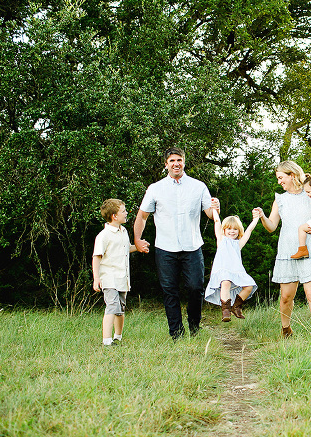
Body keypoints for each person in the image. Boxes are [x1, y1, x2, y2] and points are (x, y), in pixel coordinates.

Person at [134, 147, 220, 340]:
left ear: (184, 162)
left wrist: (216, 207)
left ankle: (195, 328)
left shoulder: (198, 186)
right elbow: (143, 216)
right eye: (172, 161)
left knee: (196, 287)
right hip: (165, 248)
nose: (176, 164)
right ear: (166, 164)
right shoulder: (155, 189)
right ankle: (176, 334)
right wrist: (137, 240)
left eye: (179, 160)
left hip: (192, 247)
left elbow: (209, 213)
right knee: (169, 291)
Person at [255, 160, 311, 340]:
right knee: (286, 297)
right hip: (288, 251)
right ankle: (286, 329)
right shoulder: (280, 199)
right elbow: (272, 226)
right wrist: (263, 216)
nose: (279, 181)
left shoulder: (310, 194)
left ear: (292, 175)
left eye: (281, 178)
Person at [92, 199, 138, 346]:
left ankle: (118, 337)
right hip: (109, 278)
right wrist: (96, 278)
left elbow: (126, 249)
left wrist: (139, 246)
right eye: (123, 211)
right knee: (112, 306)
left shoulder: (123, 231)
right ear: (114, 216)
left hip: (122, 278)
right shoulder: (104, 235)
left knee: (121, 308)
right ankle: (106, 340)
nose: (126, 213)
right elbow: (97, 256)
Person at [204, 209, 259, 321]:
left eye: (235, 229)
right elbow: (216, 221)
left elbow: (248, 231)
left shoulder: (238, 243)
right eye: (229, 229)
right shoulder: (221, 239)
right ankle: (226, 310)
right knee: (225, 282)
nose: (232, 231)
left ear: (239, 231)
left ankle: (236, 306)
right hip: (223, 269)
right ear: (223, 230)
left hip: (236, 271)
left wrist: (256, 218)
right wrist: (214, 209)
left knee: (249, 286)